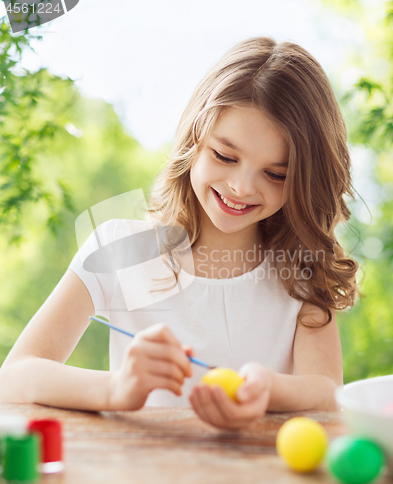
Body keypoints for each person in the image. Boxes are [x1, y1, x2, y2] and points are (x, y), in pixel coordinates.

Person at [0, 37, 359, 430]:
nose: (241, 187)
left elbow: (329, 394)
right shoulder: (120, 250)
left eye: (275, 174)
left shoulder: (301, 272)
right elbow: (15, 376)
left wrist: (268, 392)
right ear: (193, 139)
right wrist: (116, 389)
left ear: (303, 181)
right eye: (224, 156)